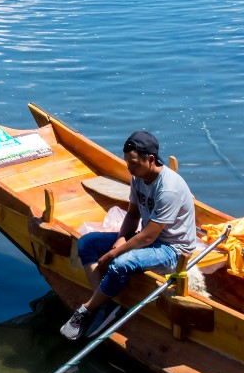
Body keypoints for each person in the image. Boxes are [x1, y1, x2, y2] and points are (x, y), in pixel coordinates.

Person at [61, 130, 199, 341]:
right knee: (87, 243)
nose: (129, 168)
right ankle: (105, 303)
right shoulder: (138, 177)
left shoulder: (169, 189)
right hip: (148, 237)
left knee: (120, 263)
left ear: (150, 159)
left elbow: (148, 238)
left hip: (173, 249)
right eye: (127, 163)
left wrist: (113, 254)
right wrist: (120, 238)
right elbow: (133, 214)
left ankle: (87, 309)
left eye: (133, 163)